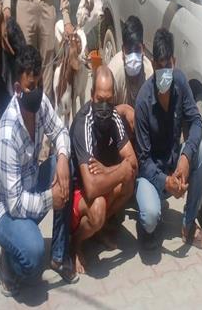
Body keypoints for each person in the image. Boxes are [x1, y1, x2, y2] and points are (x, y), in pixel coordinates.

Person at [0, 44, 78, 297]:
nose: (37, 91)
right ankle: (8, 263)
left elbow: (60, 131)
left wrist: (62, 158)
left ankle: (58, 255)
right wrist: (51, 199)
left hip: (30, 186)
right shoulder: (7, 135)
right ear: (18, 89)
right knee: (33, 255)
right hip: (6, 211)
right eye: (31, 86)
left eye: (39, 84)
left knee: (66, 166)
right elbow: (15, 204)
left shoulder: (40, 104)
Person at [135, 28, 202, 251]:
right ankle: (146, 223)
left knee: (201, 151)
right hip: (152, 174)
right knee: (150, 217)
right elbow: (143, 161)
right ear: (152, 65)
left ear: (174, 62)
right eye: (159, 66)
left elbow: (196, 121)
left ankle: (189, 224)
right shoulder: (143, 101)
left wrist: (186, 157)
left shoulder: (180, 81)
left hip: (175, 163)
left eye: (167, 65)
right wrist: (166, 181)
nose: (164, 72)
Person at [69, 66, 137, 274]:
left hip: (99, 181)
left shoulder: (114, 116)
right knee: (97, 206)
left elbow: (133, 163)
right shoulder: (84, 123)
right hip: (77, 191)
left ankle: (97, 229)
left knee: (129, 182)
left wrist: (108, 170)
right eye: (100, 99)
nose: (104, 106)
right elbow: (90, 188)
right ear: (92, 95)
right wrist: (120, 170)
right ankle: (74, 244)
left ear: (114, 96)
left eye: (109, 100)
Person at [108, 15, 153, 138]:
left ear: (143, 49)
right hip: (117, 131)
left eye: (137, 49)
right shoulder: (114, 73)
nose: (133, 56)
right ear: (123, 50)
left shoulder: (149, 72)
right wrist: (124, 110)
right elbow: (103, 114)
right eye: (129, 50)